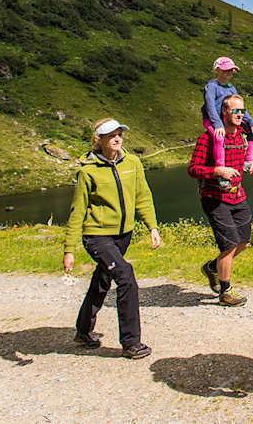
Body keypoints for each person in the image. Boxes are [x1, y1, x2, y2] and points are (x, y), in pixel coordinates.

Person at [63, 118, 161, 359]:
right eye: (111, 135)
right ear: (99, 139)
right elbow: (78, 210)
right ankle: (131, 343)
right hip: (97, 236)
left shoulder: (133, 163)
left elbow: (142, 197)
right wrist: (69, 249)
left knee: (103, 278)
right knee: (125, 276)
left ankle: (83, 331)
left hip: (123, 234)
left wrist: (152, 227)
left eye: (119, 134)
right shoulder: (88, 171)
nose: (117, 138)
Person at [188, 94, 253, 306]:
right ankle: (225, 292)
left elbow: (249, 158)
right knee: (229, 244)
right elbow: (193, 169)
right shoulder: (207, 138)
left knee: (244, 241)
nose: (240, 114)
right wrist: (216, 170)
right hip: (214, 197)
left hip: (237, 194)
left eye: (242, 111)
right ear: (223, 113)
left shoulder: (242, 136)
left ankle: (212, 267)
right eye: (235, 111)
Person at [201, 56, 253, 183]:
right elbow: (210, 106)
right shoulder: (211, 86)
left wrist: (251, 122)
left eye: (231, 70)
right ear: (217, 70)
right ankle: (221, 171)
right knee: (219, 138)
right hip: (212, 120)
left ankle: (248, 161)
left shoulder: (231, 88)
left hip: (225, 120)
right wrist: (217, 124)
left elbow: (237, 107)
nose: (229, 72)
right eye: (225, 69)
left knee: (251, 131)